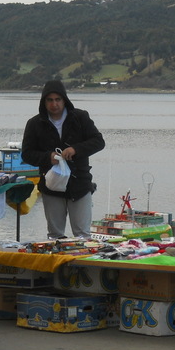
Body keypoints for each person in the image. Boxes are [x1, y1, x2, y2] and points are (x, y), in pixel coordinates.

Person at [22, 80, 105, 238]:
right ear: (43, 102)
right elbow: (27, 154)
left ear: (64, 100)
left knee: (82, 235)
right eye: (50, 100)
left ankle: (81, 263)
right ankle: (59, 263)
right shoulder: (34, 124)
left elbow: (98, 142)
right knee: (55, 235)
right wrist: (48, 157)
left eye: (58, 99)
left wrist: (76, 149)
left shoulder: (80, 117)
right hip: (51, 186)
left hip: (80, 184)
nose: (54, 104)